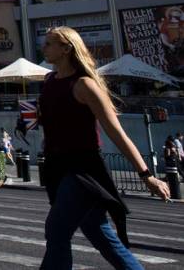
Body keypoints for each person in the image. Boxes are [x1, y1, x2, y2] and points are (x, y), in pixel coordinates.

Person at [39, 26, 170, 269]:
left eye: (49, 43)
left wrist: (146, 175)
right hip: (57, 167)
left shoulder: (84, 85)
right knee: (100, 233)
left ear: (66, 48)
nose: (43, 47)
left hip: (82, 170)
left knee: (56, 231)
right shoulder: (49, 81)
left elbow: (116, 132)